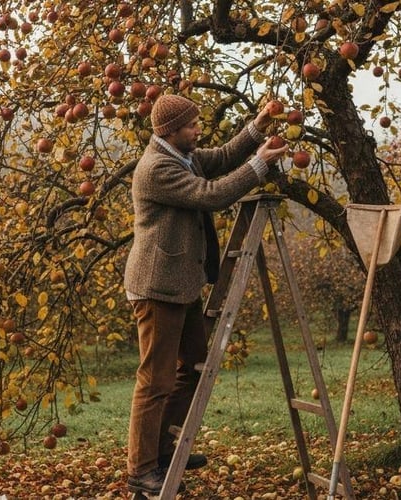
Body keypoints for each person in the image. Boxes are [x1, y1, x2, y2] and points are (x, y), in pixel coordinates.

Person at [123, 93, 288, 495]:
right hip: (157, 287)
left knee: (193, 365)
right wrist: (261, 164)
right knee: (154, 379)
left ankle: (162, 449)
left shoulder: (183, 155)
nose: (199, 130)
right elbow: (210, 194)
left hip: (183, 283)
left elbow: (222, 157)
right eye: (192, 126)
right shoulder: (156, 169)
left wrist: (260, 122)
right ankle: (142, 468)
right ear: (171, 131)